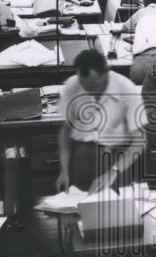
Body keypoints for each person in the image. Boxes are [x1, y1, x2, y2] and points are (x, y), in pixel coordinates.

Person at [57, 50, 145, 193]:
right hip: (82, 159)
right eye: (85, 86)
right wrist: (64, 170)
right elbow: (65, 131)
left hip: (117, 161)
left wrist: (114, 171)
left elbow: (140, 141)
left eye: (95, 86)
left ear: (106, 73)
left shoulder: (127, 89)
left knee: (118, 210)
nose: (89, 91)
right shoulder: (72, 86)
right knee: (77, 208)